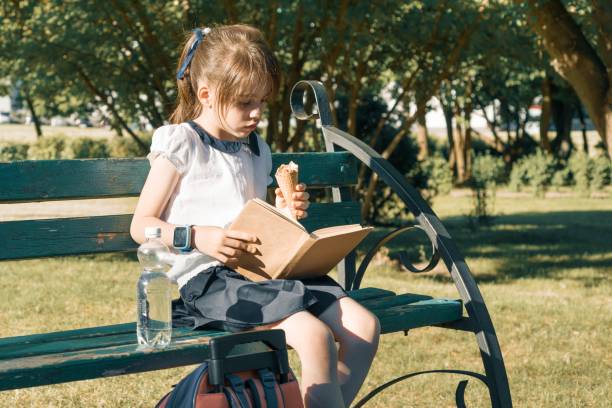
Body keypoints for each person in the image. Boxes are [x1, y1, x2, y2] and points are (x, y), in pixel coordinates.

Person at [130, 24, 380, 408]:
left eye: (262, 102)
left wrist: (284, 214)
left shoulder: (255, 149)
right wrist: (199, 236)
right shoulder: (183, 143)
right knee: (313, 338)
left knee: (364, 327)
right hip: (210, 282)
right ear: (206, 95)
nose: (256, 113)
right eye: (246, 103)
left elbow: (253, 217)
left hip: (263, 273)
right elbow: (141, 225)